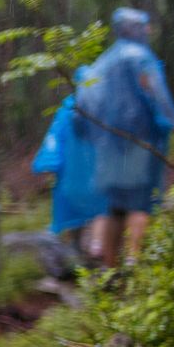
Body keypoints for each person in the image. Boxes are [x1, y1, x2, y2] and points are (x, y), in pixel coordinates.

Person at [76, 7, 174, 267]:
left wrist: (92, 135)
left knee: (114, 206)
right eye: (144, 26)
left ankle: (110, 267)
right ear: (134, 29)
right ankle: (134, 260)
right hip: (140, 140)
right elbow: (157, 93)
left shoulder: (106, 61)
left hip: (109, 144)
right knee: (140, 201)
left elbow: (86, 100)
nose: (147, 30)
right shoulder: (141, 57)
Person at [31, 67, 101, 259]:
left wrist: (50, 163)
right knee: (97, 210)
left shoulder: (67, 109)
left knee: (76, 212)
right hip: (91, 174)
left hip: (71, 176)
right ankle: (91, 252)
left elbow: (53, 140)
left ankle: (83, 251)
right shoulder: (101, 110)